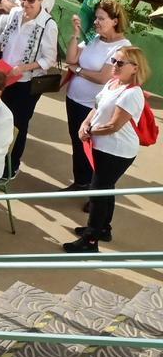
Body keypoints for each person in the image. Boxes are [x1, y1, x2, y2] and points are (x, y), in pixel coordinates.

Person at [65, 46, 149, 253]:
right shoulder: (113, 83)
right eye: (114, 61)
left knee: (98, 192)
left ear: (135, 68)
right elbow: (96, 107)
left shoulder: (132, 93)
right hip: (104, 147)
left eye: (120, 63)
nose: (114, 65)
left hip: (117, 152)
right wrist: (85, 124)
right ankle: (103, 228)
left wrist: (89, 132)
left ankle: (90, 240)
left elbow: (113, 125)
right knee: (106, 187)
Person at [61, 0, 131, 191]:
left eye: (101, 18)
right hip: (74, 100)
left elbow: (103, 78)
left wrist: (77, 71)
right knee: (77, 143)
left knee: (92, 149)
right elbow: (71, 59)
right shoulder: (95, 38)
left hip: (93, 107)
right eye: (96, 18)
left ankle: (94, 191)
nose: (96, 22)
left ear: (115, 21)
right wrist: (76, 35)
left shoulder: (121, 47)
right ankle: (81, 182)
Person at [0, 0, 58, 176]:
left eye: (31, 1)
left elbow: (49, 59)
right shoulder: (15, 13)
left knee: (18, 124)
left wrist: (24, 68)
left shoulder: (48, 25)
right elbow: (4, 37)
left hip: (25, 82)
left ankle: (12, 165)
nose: (26, 4)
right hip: (5, 76)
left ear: (41, 1)